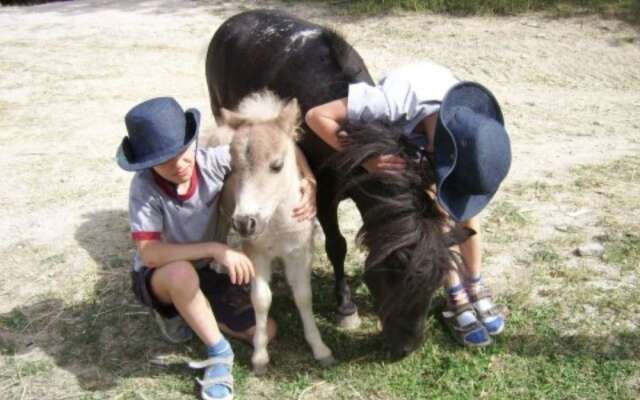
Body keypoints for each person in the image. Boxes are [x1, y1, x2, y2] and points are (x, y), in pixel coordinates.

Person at [116, 97, 316, 399]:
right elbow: (149, 253)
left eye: (183, 152)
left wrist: (309, 179)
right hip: (162, 273)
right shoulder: (144, 189)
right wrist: (215, 249)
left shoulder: (210, 162)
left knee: (268, 330)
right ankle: (219, 354)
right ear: (146, 163)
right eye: (165, 160)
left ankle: (193, 313)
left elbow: (279, 145)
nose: (180, 164)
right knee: (182, 276)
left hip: (205, 271)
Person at [305, 61, 511, 347]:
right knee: (436, 213)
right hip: (411, 115)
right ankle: (455, 293)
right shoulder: (389, 103)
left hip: (435, 109)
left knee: (465, 211)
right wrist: (366, 160)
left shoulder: (474, 128)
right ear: (432, 150)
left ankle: (475, 283)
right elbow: (316, 116)